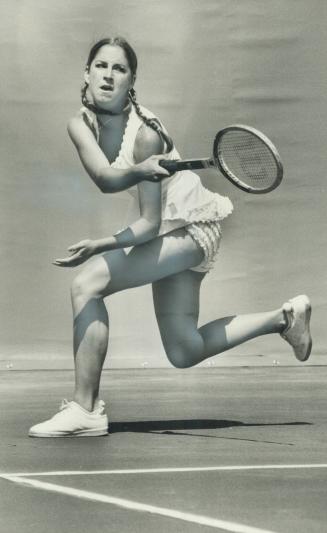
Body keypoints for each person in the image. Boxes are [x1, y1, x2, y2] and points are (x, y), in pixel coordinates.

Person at [29, 37, 312, 438]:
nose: (108, 75)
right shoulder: (80, 124)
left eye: (119, 69)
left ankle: (86, 408)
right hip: (167, 228)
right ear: (86, 73)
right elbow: (105, 179)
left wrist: (103, 243)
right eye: (101, 66)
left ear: (132, 81)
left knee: (86, 284)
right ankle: (285, 319)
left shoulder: (147, 134)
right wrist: (141, 171)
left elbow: (146, 226)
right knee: (184, 350)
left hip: (193, 227)